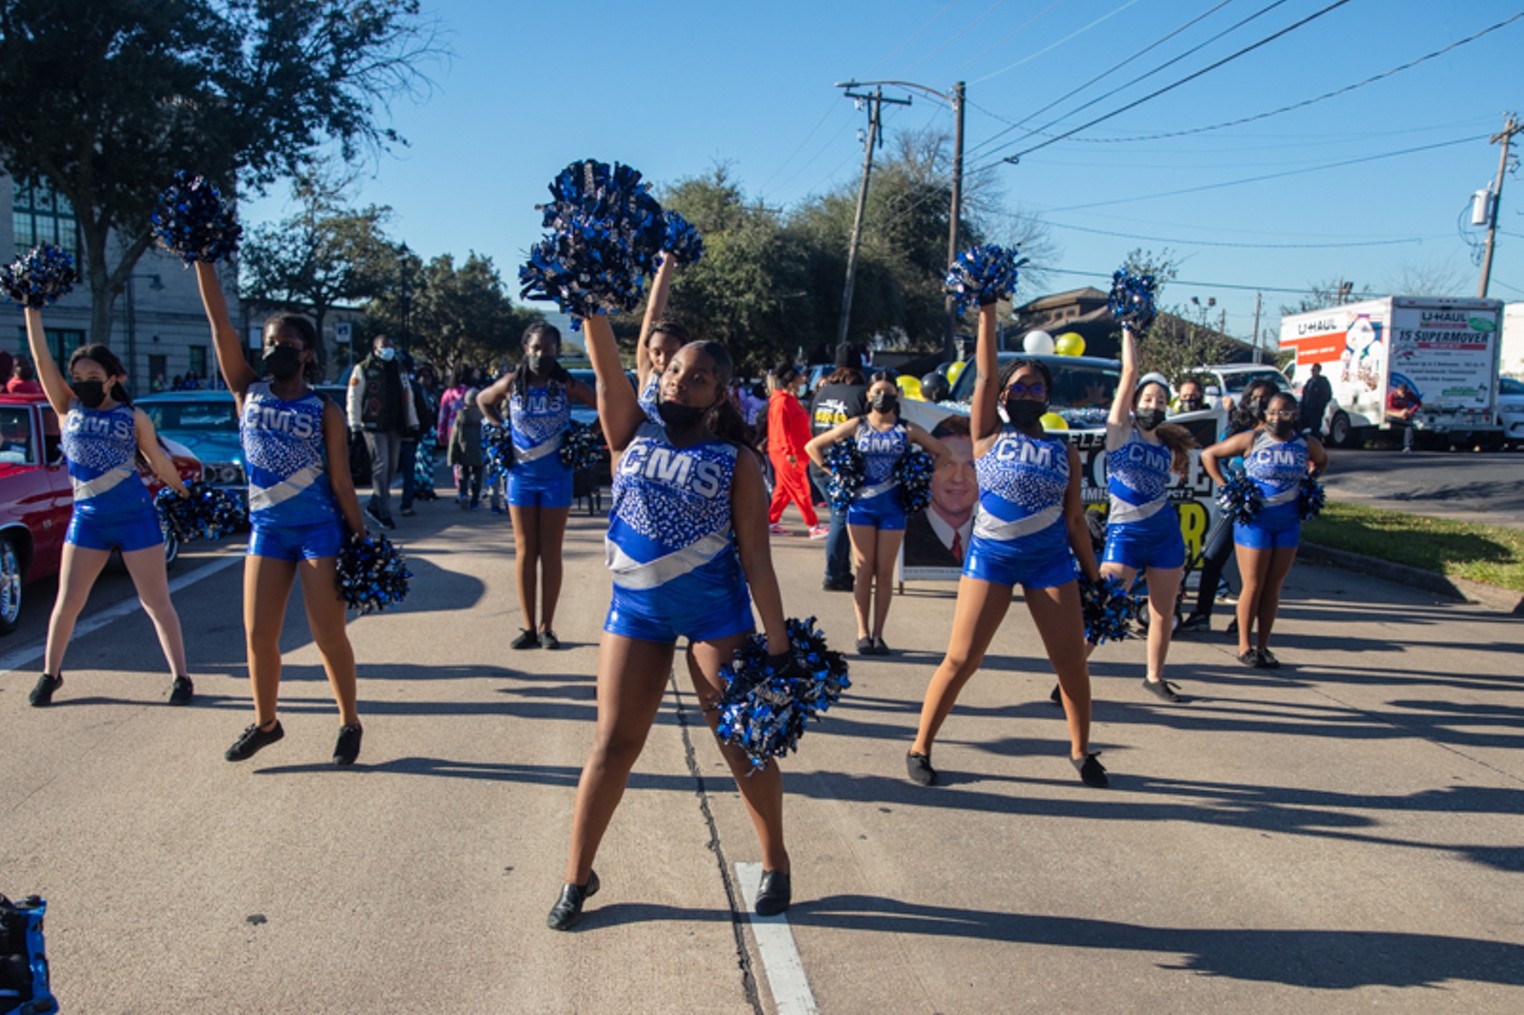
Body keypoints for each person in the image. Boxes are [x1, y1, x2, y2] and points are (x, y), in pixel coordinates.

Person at [548, 313, 797, 930]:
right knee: (613, 743)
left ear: (719, 396)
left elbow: (758, 562)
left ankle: (776, 861)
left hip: (717, 615)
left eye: (701, 378)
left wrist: (779, 641)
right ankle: (577, 876)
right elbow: (608, 372)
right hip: (636, 613)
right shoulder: (630, 430)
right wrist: (592, 304)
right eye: (676, 370)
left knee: (742, 743)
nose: (682, 382)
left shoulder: (737, 461)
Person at [907, 300, 1108, 789]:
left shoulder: (1065, 452)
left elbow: (1076, 518)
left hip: (1049, 563)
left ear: (1048, 398)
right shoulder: (986, 435)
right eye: (1015, 386)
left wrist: (1094, 574)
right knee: (962, 658)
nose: (1024, 392)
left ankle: (1081, 751)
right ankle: (920, 746)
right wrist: (987, 311)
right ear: (1001, 396)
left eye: (1035, 387)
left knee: (1069, 663)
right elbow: (983, 375)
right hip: (991, 559)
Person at [195, 262, 369, 765]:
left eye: (289, 343)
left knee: (327, 634)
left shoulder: (325, 410)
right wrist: (204, 260)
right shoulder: (246, 391)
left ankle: (349, 720)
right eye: (271, 341)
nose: (277, 350)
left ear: (308, 352)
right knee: (258, 635)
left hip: (318, 532)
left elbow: (340, 483)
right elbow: (219, 327)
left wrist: (360, 538)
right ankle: (266, 722)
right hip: (267, 531)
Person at [22, 311, 193, 708]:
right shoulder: (66, 407)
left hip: (136, 518)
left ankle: (181, 677)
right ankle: (50, 674)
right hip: (88, 521)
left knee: (156, 602)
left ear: (114, 377)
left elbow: (158, 460)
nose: (83, 385)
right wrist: (32, 311)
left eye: (92, 378)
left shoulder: (133, 417)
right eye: (78, 378)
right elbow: (43, 359)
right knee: (68, 602)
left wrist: (183, 491)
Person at [807, 370, 947, 655]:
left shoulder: (907, 430)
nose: (882, 397)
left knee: (884, 573)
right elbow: (813, 446)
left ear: (898, 395)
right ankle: (862, 633)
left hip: (892, 508)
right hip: (860, 506)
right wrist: (837, 474)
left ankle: (879, 634)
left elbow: (944, 453)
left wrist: (919, 478)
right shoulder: (857, 425)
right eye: (877, 391)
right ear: (868, 395)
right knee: (863, 570)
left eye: (888, 391)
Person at [1091, 328, 1198, 703]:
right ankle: (1070, 672)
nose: (1155, 404)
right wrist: (1127, 329)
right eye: (1148, 398)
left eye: (1161, 400)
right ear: (1136, 403)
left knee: (1162, 612)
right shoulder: (1120, 432)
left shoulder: (1166, 444)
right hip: (1126, 534)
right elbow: (1129, 372)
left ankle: (1154, 676)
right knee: (1104, 607)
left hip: (1165, 535)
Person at [478, 323, 596, 649]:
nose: (541, 354)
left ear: (558, 351)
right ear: (525, 349)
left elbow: (604, 406)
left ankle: (548, 627)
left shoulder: (567, 384)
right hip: (520, 477)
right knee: (525, 551)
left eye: (547, 348)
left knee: (551, 551)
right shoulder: (513, 383)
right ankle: (528, 626)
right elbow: (483, 400)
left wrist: (586, 438)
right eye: (535, 348)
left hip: (557, 477)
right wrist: (498, 428)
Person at [1201, 391, 1328, 668]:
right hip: (1255, 522)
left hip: (1288, 522)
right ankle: (1244, 646)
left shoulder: (1305, 443)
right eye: (1271, 412)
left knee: (1273, 586)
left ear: (1295, 415)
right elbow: (1209, 454)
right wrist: (1226, 486)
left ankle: (1264, 646)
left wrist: (1309, 482)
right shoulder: (1253, 439)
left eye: (1284, 413)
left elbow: (1322, 461)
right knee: (1254, 584)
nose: (1276, 418)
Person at [1177, 378, 1280, 633]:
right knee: (1211, 556)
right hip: (1233, 505)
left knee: (1255, 571)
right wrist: (1227, 485)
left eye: (1265, 398)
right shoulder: (1238, 427)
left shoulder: (1282, 432)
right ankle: (1202, 613)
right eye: (1255, 397)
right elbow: (1213, 455)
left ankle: (1246, 619)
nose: (1260, 403)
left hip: (1263, 510)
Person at [807, 344, 869, 591]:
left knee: (838, 517)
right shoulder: (861, 393)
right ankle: (833, 574)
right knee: (840, 519)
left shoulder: (822, 393)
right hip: (844, 466)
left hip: (819, 463)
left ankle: (841, 571)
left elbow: (812, 427)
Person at [346, 334, 419, 530]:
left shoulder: (399, 369)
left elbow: (407, 396)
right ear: (375, 349)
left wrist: (413, 422)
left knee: (393, 467)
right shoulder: (363, 369)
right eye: (384, 347)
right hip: (373, 424)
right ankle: (384, 513)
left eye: (391, 346)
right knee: (381, 465)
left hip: (395, 425)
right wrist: (354, 425)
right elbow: (354, 397)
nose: (389, 350)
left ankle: (374, 505)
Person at [902, 415, 975, 569]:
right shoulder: (904, 535)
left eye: (971, 466)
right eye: (948, 465)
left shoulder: (993, 537)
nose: (958, 478)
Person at [766, 364, 826, 538]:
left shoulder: (789, 400)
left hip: (795, 453)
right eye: (800, 376)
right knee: (800, 488)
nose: (804, 378)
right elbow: (780, 430)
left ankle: (771, 521)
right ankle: (813, 525)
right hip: (787, 454)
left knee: (784, 490)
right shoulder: (782, 402)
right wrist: (788, 452)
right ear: (791, 382)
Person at [447, 387, 484, 508]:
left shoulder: (460, 417)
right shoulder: (483, 417)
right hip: (479, 452)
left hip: (464, 451)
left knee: (463, 475)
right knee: (477, 477)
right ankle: (475, 499)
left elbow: (454, 438)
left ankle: (463, 494)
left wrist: (452, 456)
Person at [1299, 362, 1333, 438]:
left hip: (1316, 412)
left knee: (1315, 430)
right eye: (1311, 370)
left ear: (1318, 371)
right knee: (1302, 429)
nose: (1312, 372)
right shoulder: (1309, 381)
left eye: (1314, 370)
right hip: (1306, 410)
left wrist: (1319, 406)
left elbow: (1327, 395)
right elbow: (1304, 395)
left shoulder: (1323, 382)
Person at [1387, 381, 1421, 453]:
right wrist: (1400, 412)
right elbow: (1389, 407)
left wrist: (1411, 411)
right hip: (1393, 414)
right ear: (1398, 390)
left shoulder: (1408, 394)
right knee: (1402, 424)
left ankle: (1407, 446)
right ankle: (1397, 443)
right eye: (1402, 393)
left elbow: (1418, 403)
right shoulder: (1391, 395)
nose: (1403, 396)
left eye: (1405, 393)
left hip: (1405, 415)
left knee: (1409, 426)